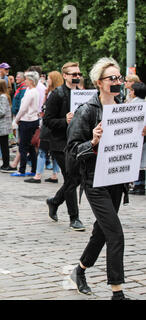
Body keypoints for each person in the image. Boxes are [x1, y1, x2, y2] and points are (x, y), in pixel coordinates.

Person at [66, 57, 130, 300]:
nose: (117, 82)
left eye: (119, 77)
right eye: (112, 78)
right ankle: (117, 292)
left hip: (116, 177)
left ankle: (79, 270)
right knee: (115, 234)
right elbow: (72, 151)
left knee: (102, 232)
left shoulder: (123, 107)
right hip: (94, 180)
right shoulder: (87, 111)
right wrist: (92, 141)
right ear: (99, 82)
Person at [43, 61, 85, 231]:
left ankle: (54, 201)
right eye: (73, 74)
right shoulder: (57, 94)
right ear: (65, 76)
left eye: (79, 74)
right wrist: (65, 121)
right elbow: (47, 121)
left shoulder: (83, 94)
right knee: (71, 177)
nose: (77, 77)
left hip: (78, 141)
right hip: (60, 143)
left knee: (77, 178)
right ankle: (74, 218)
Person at [25, 71, 63, 183]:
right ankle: (55, 175)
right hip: (56, 126)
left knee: (42, 150)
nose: (47, 80)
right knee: (54, 152)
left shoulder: (54, 94)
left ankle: (38, 175)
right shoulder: (57, 93)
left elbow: (45, 109)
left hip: (48, 126)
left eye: (49, 79)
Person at [11, 71, 40, 177]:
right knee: (30, 146)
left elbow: (23, 108)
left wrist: (16, 119)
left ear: (31, 81)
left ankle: (21, 170)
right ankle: (34, 169)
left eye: (27, 79)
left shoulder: (31, 92)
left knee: (23, 146)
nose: (25, 81)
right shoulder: (34, 91)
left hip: (27, 120)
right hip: (33, 120)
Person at [128, 81, 146, 195]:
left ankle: (138, 184)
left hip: (135, 138)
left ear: (134, 92)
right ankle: (141, 184)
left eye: (131, 90)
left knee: (136, 162)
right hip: (144, 139)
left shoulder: (132, 106)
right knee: (143, 162)